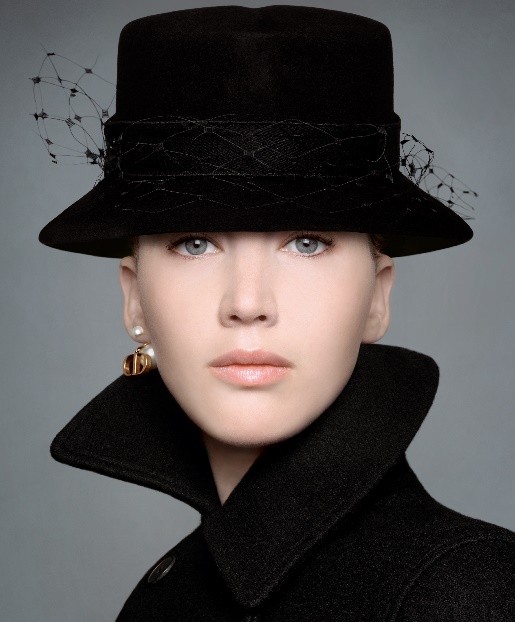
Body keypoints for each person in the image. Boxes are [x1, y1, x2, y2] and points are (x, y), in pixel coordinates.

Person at [37, 6, 515, 621]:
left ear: (377, 298)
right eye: (195, 243)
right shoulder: (178, 589)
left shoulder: (467, 593)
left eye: (307, 242)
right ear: (135, 299)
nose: (247, 304)